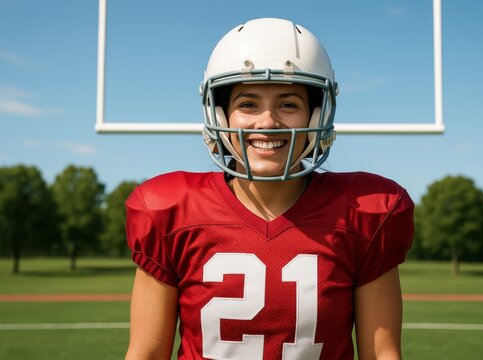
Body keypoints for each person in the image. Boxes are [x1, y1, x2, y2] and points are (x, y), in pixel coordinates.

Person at [124, 18, 414, 360]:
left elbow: (381, 354)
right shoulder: (170, 209)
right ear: (221, 116)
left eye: (288, 104)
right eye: (247, 104)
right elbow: (147, 352)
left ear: (316, 115)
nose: (267, 122)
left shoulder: (364, 211)